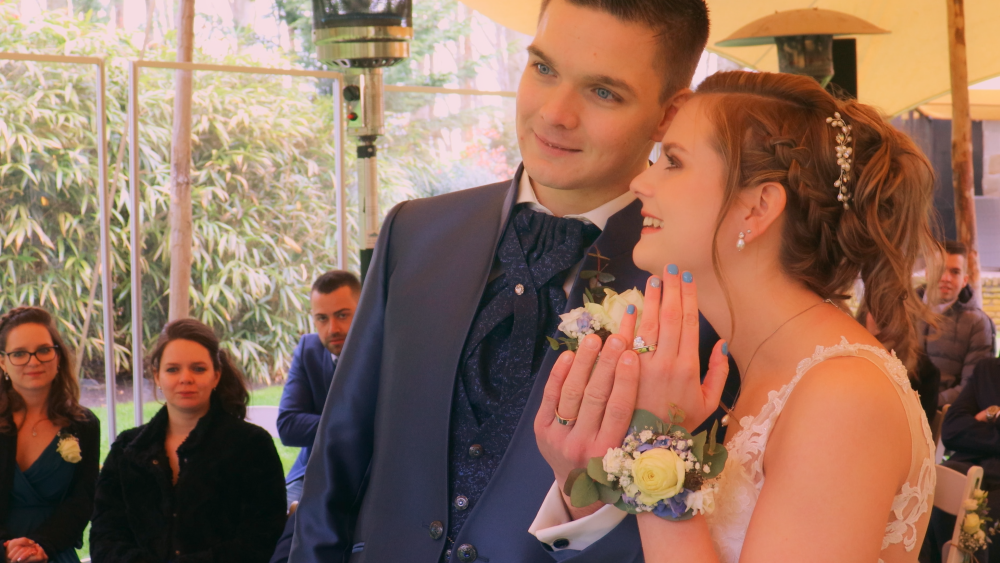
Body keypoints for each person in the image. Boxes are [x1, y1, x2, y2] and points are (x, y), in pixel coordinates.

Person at [287, 1, 739, 561]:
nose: (555, 113)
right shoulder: (415, 232)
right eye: (544, 68)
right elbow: (337, 460)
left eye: (603, 92)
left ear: (669, 114)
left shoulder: (702, 291)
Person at [536, 70, 938, 562]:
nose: (640, 182)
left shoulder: (843, 396)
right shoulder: (768, 370)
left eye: (673, 162)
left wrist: (656, 442)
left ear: (757, 208)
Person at [89, 319, 286, 563]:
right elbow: (104, 536)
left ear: (216, 375)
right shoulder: (127, 449)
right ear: (157, 376)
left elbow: (261, 538)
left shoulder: (252, 446)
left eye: (198, 369)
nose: (185, 378)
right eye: (173, 369)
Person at [0, 307, 99, 563]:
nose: (33, 361)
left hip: (54, 549)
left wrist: (43, 545)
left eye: (44, 350)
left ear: (58, 357)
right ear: (3, 362)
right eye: (19, 353)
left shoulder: (84, 425)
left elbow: (82, 500)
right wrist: (5, 550)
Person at [278, 270, 360, 507]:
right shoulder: (309, 350)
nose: (332, 328)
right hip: (313, 473)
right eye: (322, 318)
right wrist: (356, 424)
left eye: (342, 315)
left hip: (372, 475)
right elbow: (288, 425)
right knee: (277, 522)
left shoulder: (388, 352)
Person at [922, 357, 1000, 562]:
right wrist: (994, 416)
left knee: (975, 512)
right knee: (938, 484)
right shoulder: (989, 369)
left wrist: (988, 416)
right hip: (967, 469)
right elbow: (952, 429)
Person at [922, 240, 995, 407]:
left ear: (964, 280)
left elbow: (972, 386)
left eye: (955, 272)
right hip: (896, 405)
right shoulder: (905, 312)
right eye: (939, 269)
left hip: (943, 414)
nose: (946, 278)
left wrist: (925, 405)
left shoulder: (978, 324)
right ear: (927, 273)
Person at [860, 307, 940, 425]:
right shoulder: (850, 355)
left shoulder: (924, 372)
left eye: (890, 310)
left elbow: (919, 427)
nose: (882, 317)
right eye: (874, 309)